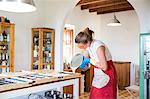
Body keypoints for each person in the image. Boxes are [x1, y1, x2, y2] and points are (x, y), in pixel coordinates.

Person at [75, 27, 117, 99]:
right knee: (95, 95)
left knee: (103, 96)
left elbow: (104, 67)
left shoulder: (99, 46)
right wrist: (82, 65)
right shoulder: (88, 47)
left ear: (87, 42)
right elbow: (86, 66)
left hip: (107, 73)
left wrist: (90, 60)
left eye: (82, 46)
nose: (82, 48)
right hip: (98, 73)